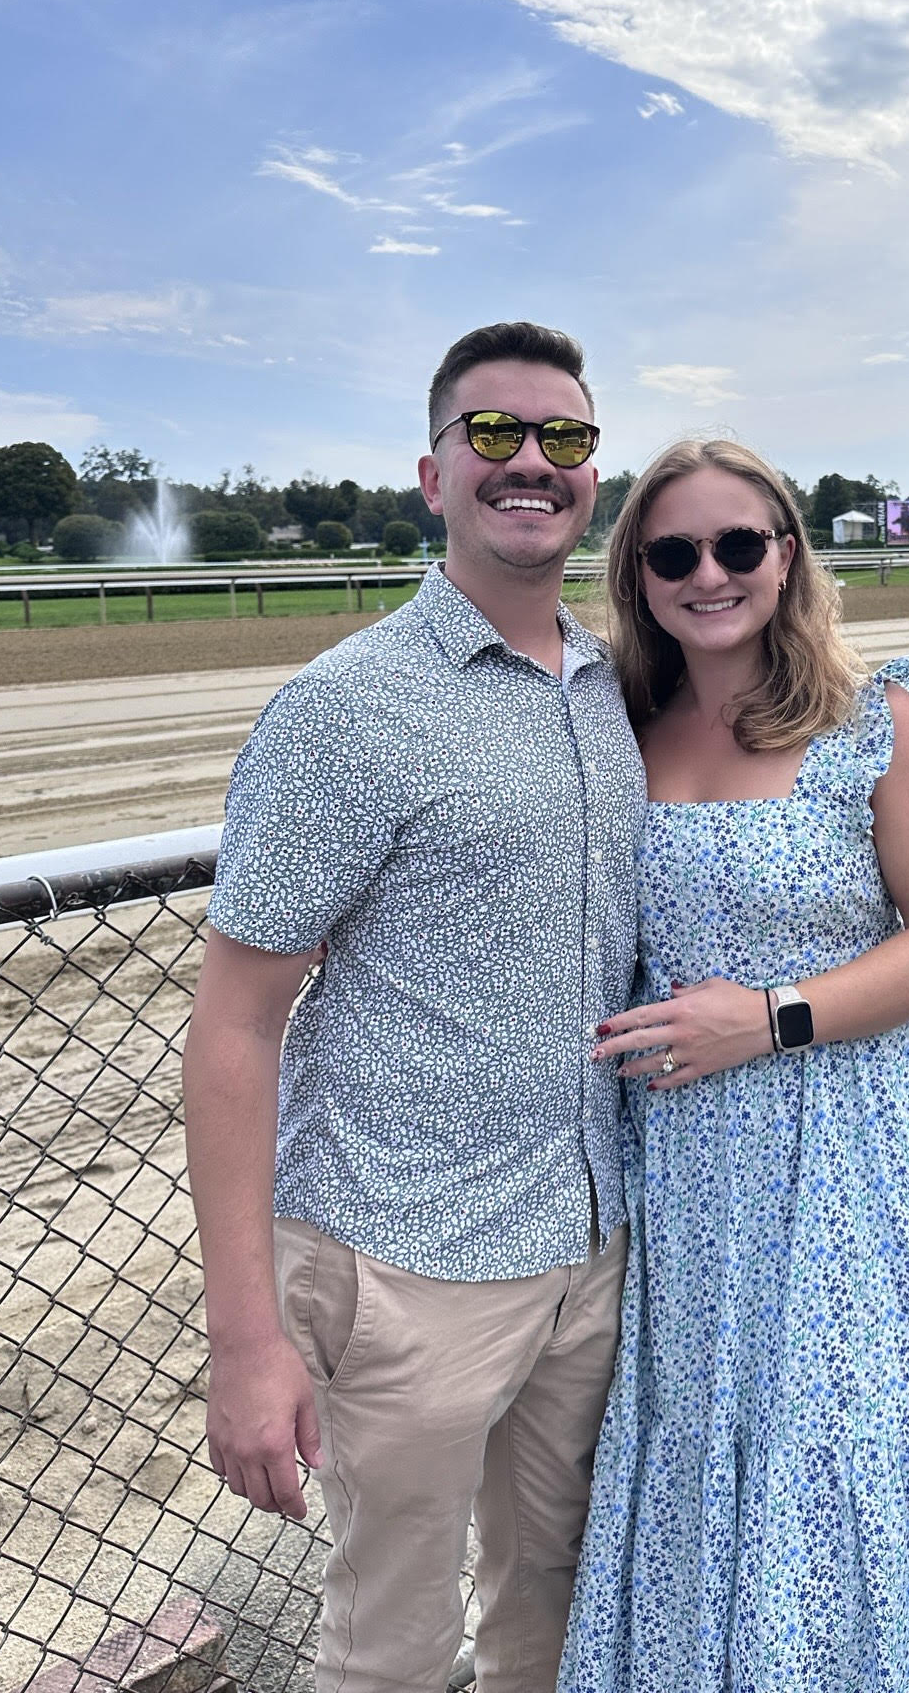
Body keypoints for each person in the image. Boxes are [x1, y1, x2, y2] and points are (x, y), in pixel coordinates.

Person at [183, 322, 646, 1693]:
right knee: (387, 1647)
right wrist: (245, 1337)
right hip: (404, 1263)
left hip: (591, 1238)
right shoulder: (346, 713)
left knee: (552, 1615)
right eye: (491, 433)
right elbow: (233, 1026)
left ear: (590, 477)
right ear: (432, 473)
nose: (529, 463)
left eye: (562, 439)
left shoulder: (616, 687)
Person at [558, 438, 909, 1693]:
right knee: (693, 1453)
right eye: (675, 550)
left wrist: (773, 1015)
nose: (711, 573)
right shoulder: (614, 728)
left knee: (827, 1456)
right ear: (638, 571)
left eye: (739, 544)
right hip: (680, 1168)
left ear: (786, 554)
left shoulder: (875, 725)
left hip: (840, 1147)